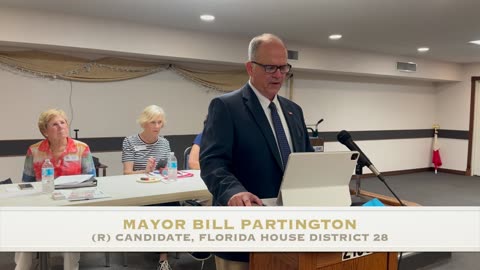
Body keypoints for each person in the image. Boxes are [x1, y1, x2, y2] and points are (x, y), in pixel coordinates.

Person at [200, 33, 314, 269]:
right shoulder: (226, 106)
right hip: (243, 232)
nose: (279, 75)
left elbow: (306, 159)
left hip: (289, 231)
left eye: (284, 67)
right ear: (250, 68)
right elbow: (212, 162)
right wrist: (234, 193)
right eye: (271, 67)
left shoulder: (294, 110)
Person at [18, 108, 96, 270]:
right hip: (42, 205)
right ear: (45, 131)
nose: (61, 126)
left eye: (63, 122)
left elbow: (91, 180)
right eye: (55, 124)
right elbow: (26, 182)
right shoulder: (34, 150)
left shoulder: (82, 148)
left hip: (72, 205)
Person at [121, 105, 172, 270]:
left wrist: (166, 170)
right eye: (152, 122)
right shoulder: (130, 142)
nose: (157, 126)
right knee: (159, 210)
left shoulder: (164, 143)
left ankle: (163, 259)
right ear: (143, 123)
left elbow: (166, 168)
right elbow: (127, 173)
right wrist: (146, 171)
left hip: (160, 188)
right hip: (139, 189)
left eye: (159, 122)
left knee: (171, 207)